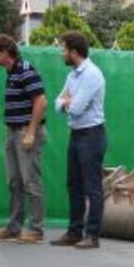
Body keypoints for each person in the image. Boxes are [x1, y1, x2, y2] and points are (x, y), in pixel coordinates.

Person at [0, 34, 47, 243]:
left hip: (25, 132)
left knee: (31, 181)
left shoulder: (26, 70)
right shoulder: (11, 73)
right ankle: (14, 228)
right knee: (14, 181)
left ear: (6, 52)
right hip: (12, 132)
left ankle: (36, 230)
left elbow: (41, 101)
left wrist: (30, 132)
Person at [49, 30, 106, 250]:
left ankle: (92, 236)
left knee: (92, 188)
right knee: (74, 185)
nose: (61, 53)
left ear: (73, 52)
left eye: (63, 49)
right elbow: (57, 104)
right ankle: (74, 232)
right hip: (76, 134)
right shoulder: (72, 76)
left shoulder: (92, 74)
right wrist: (66, 102)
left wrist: (68, 102)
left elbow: (76, 108)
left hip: (92, 135)